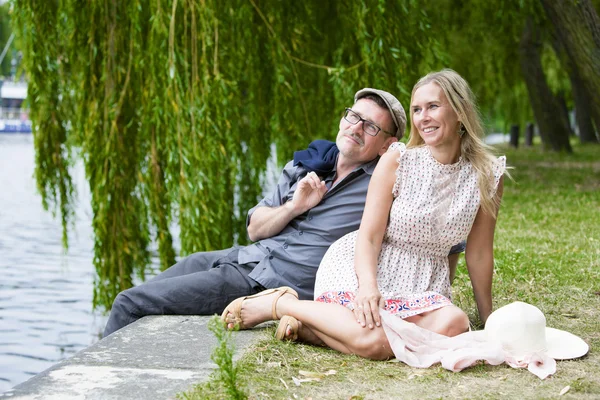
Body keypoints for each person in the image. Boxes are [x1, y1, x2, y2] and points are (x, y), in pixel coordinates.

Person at [222, 69, 506, 361]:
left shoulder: (488, 174)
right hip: (370, 267)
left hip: (425, 280)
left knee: (455, 323)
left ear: (460, 111)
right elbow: (369, 237)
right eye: (417, 110)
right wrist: (368, 288)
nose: (424, 118)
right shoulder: (398, 159)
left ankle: (313, 329)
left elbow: (480, 252)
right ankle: (280, 304)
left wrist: (489, 320)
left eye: (433, 106)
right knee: (374, 343)